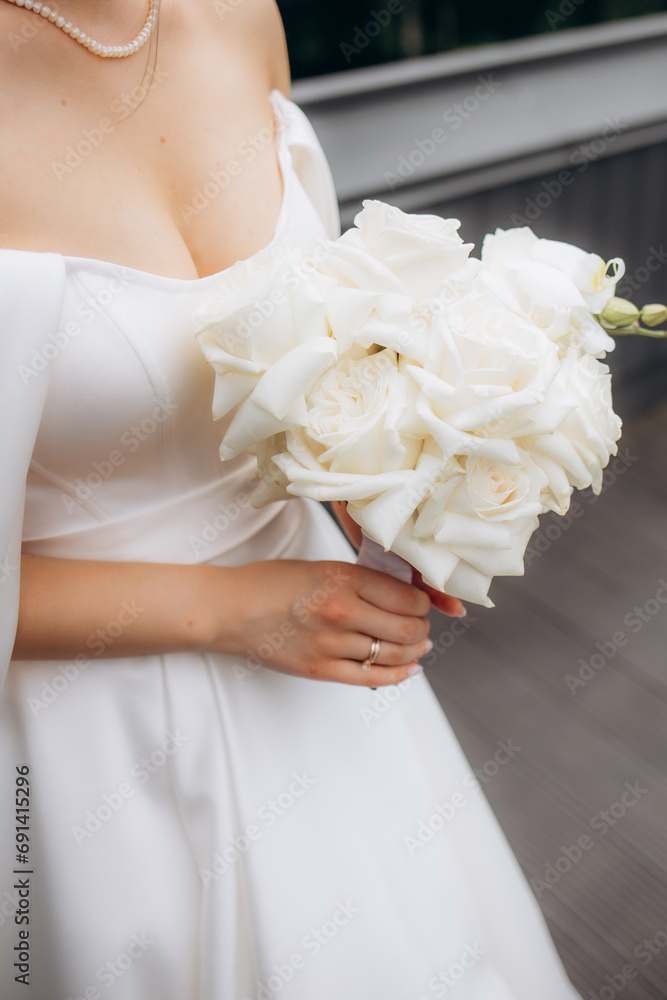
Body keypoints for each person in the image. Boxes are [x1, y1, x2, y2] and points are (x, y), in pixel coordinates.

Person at [0, 1, 583, 997]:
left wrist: (378, 465)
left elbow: (305, 327)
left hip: (329, 669)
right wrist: (238, 609)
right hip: (92, 735)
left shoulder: (236, 15)